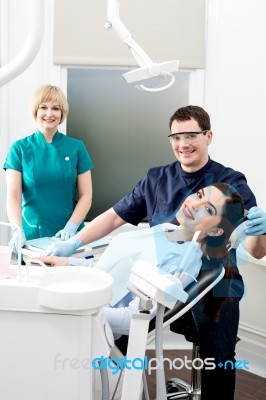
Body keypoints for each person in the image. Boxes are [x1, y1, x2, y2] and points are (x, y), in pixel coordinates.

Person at [41, 105, 266, 400]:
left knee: (218, 351)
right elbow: (113, 217)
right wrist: (74, 244)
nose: (183, 144)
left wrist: (260, 230)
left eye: (191, 135)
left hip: (212, 282)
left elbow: (256, 250)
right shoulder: (157, 178)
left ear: (208, 136)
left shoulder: (230, 182)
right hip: (157, 278)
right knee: (116, 327)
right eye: (176, 137)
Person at [41, 182, 245, 338]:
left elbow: (134, 319)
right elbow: (115, 270)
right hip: (85, 301)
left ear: (217, 230)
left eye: (208, 209)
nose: (194, 204)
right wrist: (69, 264)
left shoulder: (183, 262)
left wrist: (82, 309)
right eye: (199, 195)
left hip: (91, 329)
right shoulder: (168, 230)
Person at [3, 84, 94, 255]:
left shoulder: (76, 147)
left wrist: (71, 227)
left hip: (70, 237)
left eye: (56, 108)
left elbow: (86, 195)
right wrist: (17, 230)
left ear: (62, 113)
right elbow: (13, 196)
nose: (49, 113)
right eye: (43, 107)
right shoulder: (19, 148)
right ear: (35, 111)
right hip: (32, 237)